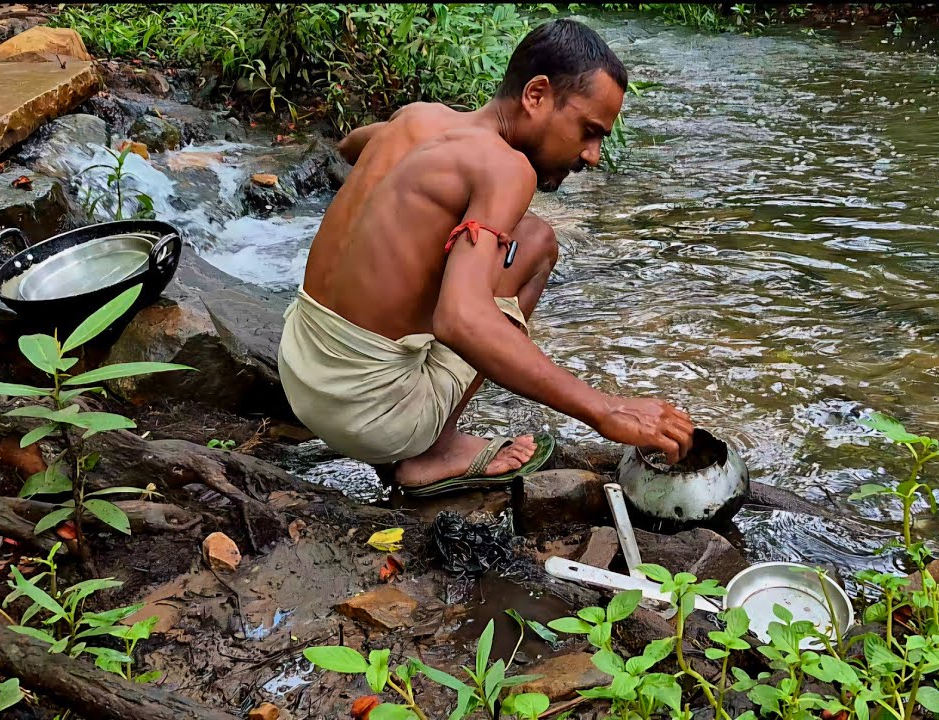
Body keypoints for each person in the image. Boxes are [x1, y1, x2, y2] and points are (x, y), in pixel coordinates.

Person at [279, 18, 694, 497]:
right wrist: (604, 408)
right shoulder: (505, 168)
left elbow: (352, 144)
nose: (593, 155)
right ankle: (435, 453)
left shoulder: (418, 119)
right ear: (536, 95)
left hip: (300, 367)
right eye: (588, 131)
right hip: (369, 416)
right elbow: (460, 319)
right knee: (536, 243)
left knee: (510, 237)